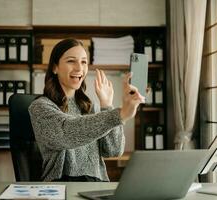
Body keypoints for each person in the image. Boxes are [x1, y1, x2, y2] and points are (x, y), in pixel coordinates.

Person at [28, 38, 145, 182]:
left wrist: (107, 105)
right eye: (71, 61)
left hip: (95, 185)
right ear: (55, 67)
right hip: (61, 185)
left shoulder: (91, 107)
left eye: (83, 62)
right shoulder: (40, 107)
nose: (79, 68)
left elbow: (113, 150)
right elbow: (67, 132)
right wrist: (119, 115)